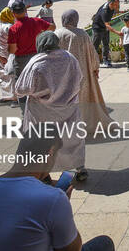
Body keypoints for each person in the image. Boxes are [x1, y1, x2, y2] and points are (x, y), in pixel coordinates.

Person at [0, 133, 115, 251]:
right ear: (50, 153)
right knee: (104, 244)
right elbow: (73, 249)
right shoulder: (52, 199)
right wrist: (63, 206)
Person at [15, 31, 86, 179]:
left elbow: (20, 89)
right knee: (72, 140)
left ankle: (43, 173)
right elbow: (80, 79)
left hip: (42, 113)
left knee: (42, 144)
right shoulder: (69, 58)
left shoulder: (37, 63)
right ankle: (80, 169)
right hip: (68, 109)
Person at [56, 9, 114, 133]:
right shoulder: (82, 34)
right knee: (82, 98)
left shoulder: (57, 34)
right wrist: (95, 68)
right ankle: (82, 124)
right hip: (82, 73)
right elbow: (92, 53)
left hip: (62, 74)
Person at [8, 1, 55, 109]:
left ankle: (25, 115)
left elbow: (12, 49)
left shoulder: (14, 29)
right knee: (38, 85)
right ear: (25, 11)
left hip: (21, 61)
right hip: (37, 57)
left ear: (13, 13)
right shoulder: (36, 21)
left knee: (22, 87)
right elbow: (52, 27)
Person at [0, 7, 17, 105]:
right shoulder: (9, 27)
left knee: (2, 75)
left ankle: (6, 96)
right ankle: (15, 97)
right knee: (12, 74)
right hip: (9, 54)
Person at [91, 0, 119, 67]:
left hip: (104, 27)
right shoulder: (105, 11)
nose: (117, 6)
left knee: (106, 44)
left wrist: (118, 11)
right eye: (116, 5)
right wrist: (117, 32)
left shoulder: (110, 5)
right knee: (95, 46)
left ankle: (105, 60)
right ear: (112, 4)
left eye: (118, 5)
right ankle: (91, 61)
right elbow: (107, 25)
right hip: (97, 28)